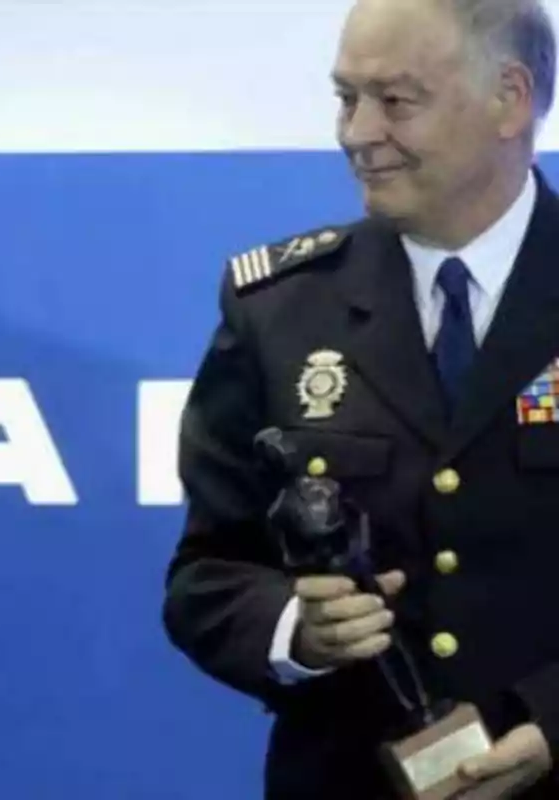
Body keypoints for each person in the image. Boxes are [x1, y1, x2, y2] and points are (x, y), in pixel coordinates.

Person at [162, 0, 559, 797]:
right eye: (346, 97)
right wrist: (294, 631)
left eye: (395, 101)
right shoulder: (278, 308)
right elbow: (207, 576)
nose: (356, 132)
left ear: (510, 98)